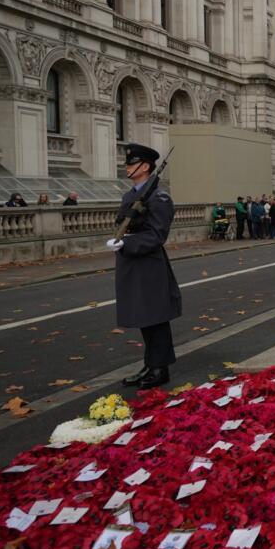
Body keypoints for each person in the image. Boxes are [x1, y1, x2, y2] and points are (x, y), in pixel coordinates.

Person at [108, 143, 182, 391]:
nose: (127, 167)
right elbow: (122, 222)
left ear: (146, 167)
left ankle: (159, 368)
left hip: (149, 264)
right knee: (144, 317)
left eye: (132, 163)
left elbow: (156, 235)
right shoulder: (131, 196)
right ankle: (151, 364)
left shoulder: (159, 198)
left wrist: (127, 243)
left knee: (155, 318)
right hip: (132, 265)